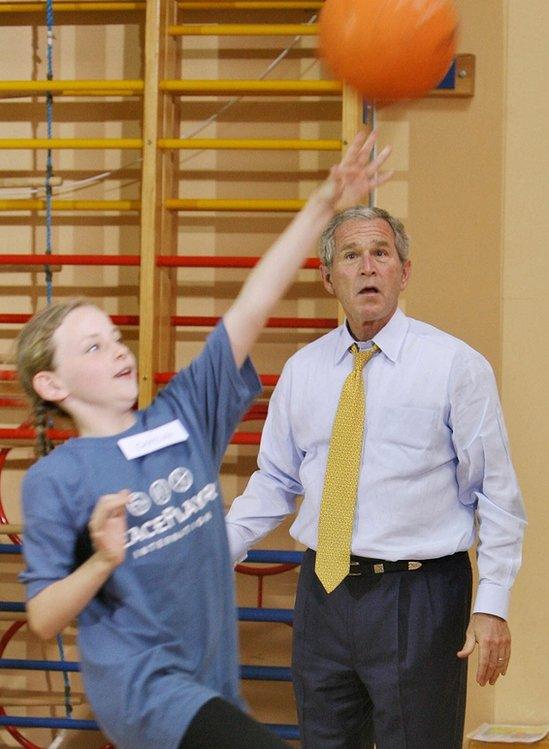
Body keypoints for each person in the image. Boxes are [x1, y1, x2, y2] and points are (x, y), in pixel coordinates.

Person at [16, 130, 393, 749]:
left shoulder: (182, 415)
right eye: (92, 347)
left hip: (211, 682)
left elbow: (253, 302)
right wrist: (104, 560)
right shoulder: (57, 478)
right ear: (52, 383)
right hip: (148, 692)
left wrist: (326, 201)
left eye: (114, 337)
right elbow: (43, 617)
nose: (116, 351)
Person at [225, 204, 526, 749]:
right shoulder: (304, 370)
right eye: (351, 255)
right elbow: (274, 480)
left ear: (403, 272)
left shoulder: (456, 366)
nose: (367, 267)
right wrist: (214, 549)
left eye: (381, 254)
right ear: (329, 278)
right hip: (323, 592)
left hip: (420, 595)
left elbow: (496, 494)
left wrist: (492, 603)